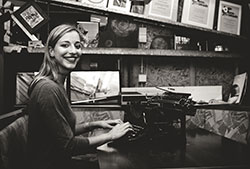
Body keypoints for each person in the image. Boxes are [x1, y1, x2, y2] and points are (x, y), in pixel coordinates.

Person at [26, 24, 132, 169]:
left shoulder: (55, 84)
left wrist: (95, 124)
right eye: (65, 45)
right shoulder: (48, 89)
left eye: (77, 46)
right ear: (51, 51)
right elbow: (69, 145)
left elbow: (61, 132)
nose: (73, 51)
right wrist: (110, 136)